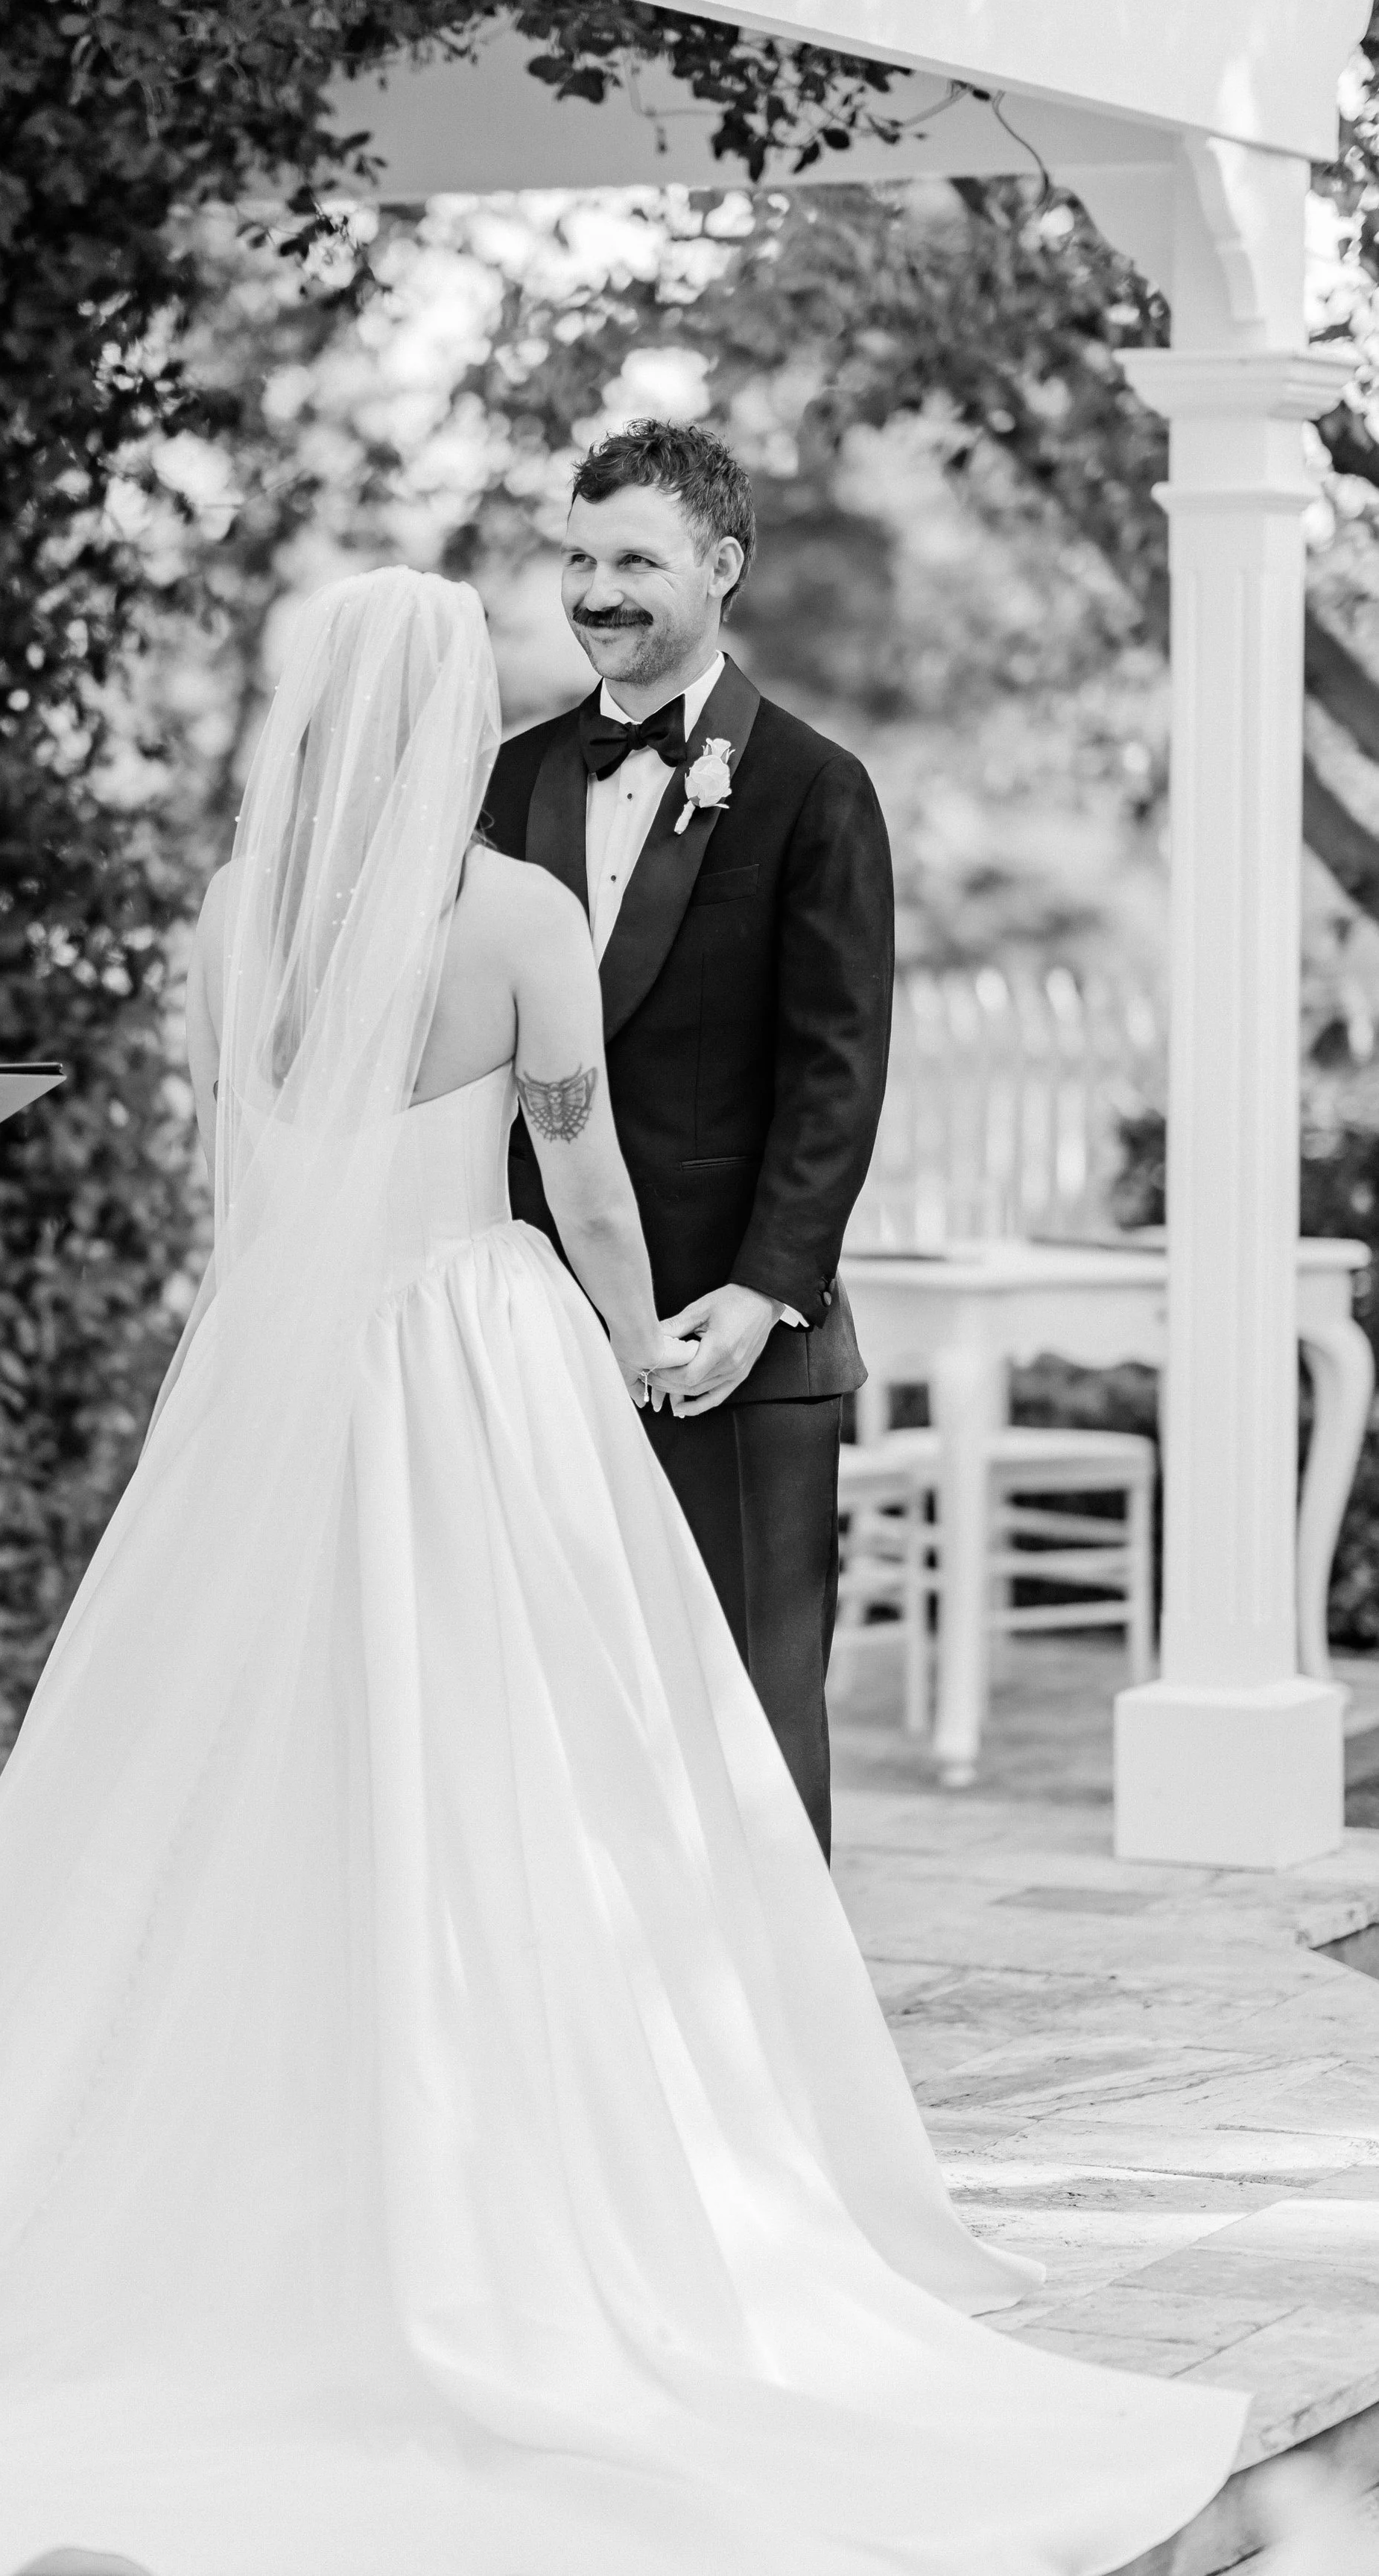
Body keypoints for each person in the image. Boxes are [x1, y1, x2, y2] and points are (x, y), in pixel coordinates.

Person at [0, 570, 1239, 2576]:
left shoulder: (238, 913)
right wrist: (639, 1344)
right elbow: (580, 1174)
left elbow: (237, 1185)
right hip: (468, 1351)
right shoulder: (515, 914)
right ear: (450, 712)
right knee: (524, 1760)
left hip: (277, 1364)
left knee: (251, 1762)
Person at [484, 419, 892, 1857]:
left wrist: (766, 1292)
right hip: (536, 1326)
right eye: (580, 558)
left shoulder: (812, 786)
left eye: (635, 561)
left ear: (720, 566)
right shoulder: (510, 777)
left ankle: (776, 2049)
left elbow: (837, 1071)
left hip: (740, 1331)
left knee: (752, 1705)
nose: (597, 591)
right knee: (561, 1699)